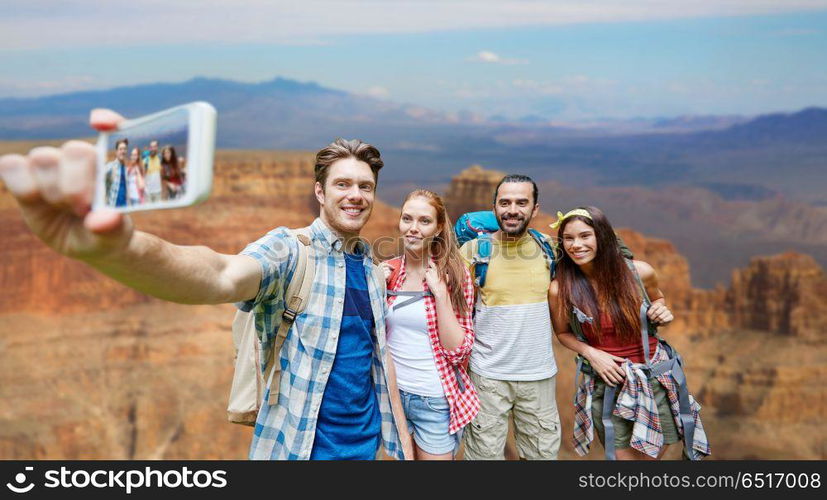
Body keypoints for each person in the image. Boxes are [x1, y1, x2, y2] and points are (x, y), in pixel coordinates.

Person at [0, 109, 410, 461]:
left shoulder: (369, 268)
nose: (355, 195)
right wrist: (118, 249)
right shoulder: (289, 251)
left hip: (367, 449)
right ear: (319, 192)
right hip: (299, 451)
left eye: (365, 187)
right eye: (343, 184)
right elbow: (218, 274)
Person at [549, 206, 710, 460]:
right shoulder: (561, 289)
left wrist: (662, 311)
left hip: (654, 379)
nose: (576, 245)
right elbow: (562, 333)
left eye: (584, 236)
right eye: (568, 239)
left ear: (601, 237)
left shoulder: (639, 272)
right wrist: (592, 354)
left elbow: (658, 299)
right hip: (609, 384)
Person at [460, 174, 561, 460]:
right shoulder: (471, 253)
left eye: (521, 202)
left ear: (535, 209)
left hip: (539, 378)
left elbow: (597, 273)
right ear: (494, 208)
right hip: (487, 378)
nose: (512, 210)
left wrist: (654, 299)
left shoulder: (549, 251)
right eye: (504, 202)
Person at [382, 189, 479, 460]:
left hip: (433, 401)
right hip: (392, 397)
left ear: (438, 228)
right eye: (407, 219)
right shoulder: (388, 272)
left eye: (424, 221)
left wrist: (441, 295)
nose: (413, 228)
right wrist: (376, 282)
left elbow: (458, 350)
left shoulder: (454, 276)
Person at [104, 138, 129, 207]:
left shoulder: (126, 168)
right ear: (116, 151)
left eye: (124, 149)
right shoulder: (110, 166)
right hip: (113, 206)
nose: (123, 151)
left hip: (125, 206)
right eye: (120, 149)